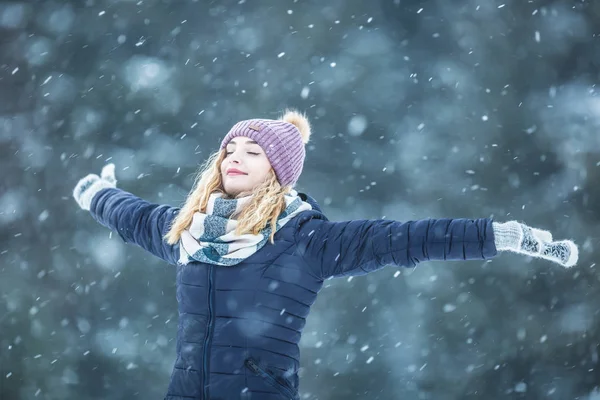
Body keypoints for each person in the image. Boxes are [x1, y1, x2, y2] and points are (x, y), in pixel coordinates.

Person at [73, 109, 578, 400]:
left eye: (254, 152)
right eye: (230, 150)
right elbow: (130, 214)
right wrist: (94, 192)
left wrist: (501, 235)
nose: (235, 158)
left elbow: (406, 238)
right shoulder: (187, 231)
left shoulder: (303, 239)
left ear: (277, 172)